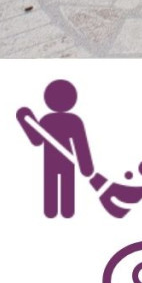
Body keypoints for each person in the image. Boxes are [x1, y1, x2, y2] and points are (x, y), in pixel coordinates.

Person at [22, 80, 95, 219]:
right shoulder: (70, 121)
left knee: (60, 185)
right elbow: (80, 144)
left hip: (55, 159)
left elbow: (36, 141)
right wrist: (86, 166)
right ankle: (60, 211)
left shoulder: (51, 120)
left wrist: (86, 166)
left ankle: (58, 211)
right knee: (58, 185)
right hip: (58, 160)